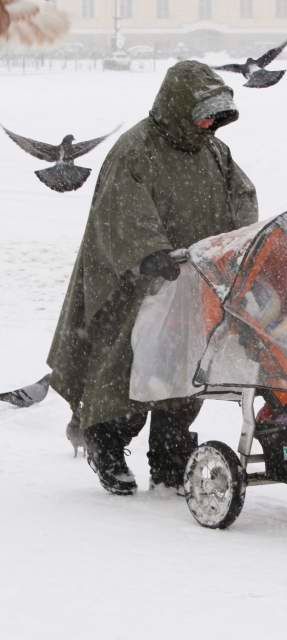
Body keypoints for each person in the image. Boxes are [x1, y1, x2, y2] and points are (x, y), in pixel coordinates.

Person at [48, 61, 258, 496]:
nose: (208, 123)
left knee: (183, 370)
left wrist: (239, 242)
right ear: (178, 106)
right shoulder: (135, 150)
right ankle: (107, 447)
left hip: (193, 279)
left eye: (214, 116)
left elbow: (241, 194)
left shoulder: (214, 151)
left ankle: (170, 454)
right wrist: (149, 253)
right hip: (134, 282)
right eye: (202, 113)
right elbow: (120, 209)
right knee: (125, 367)